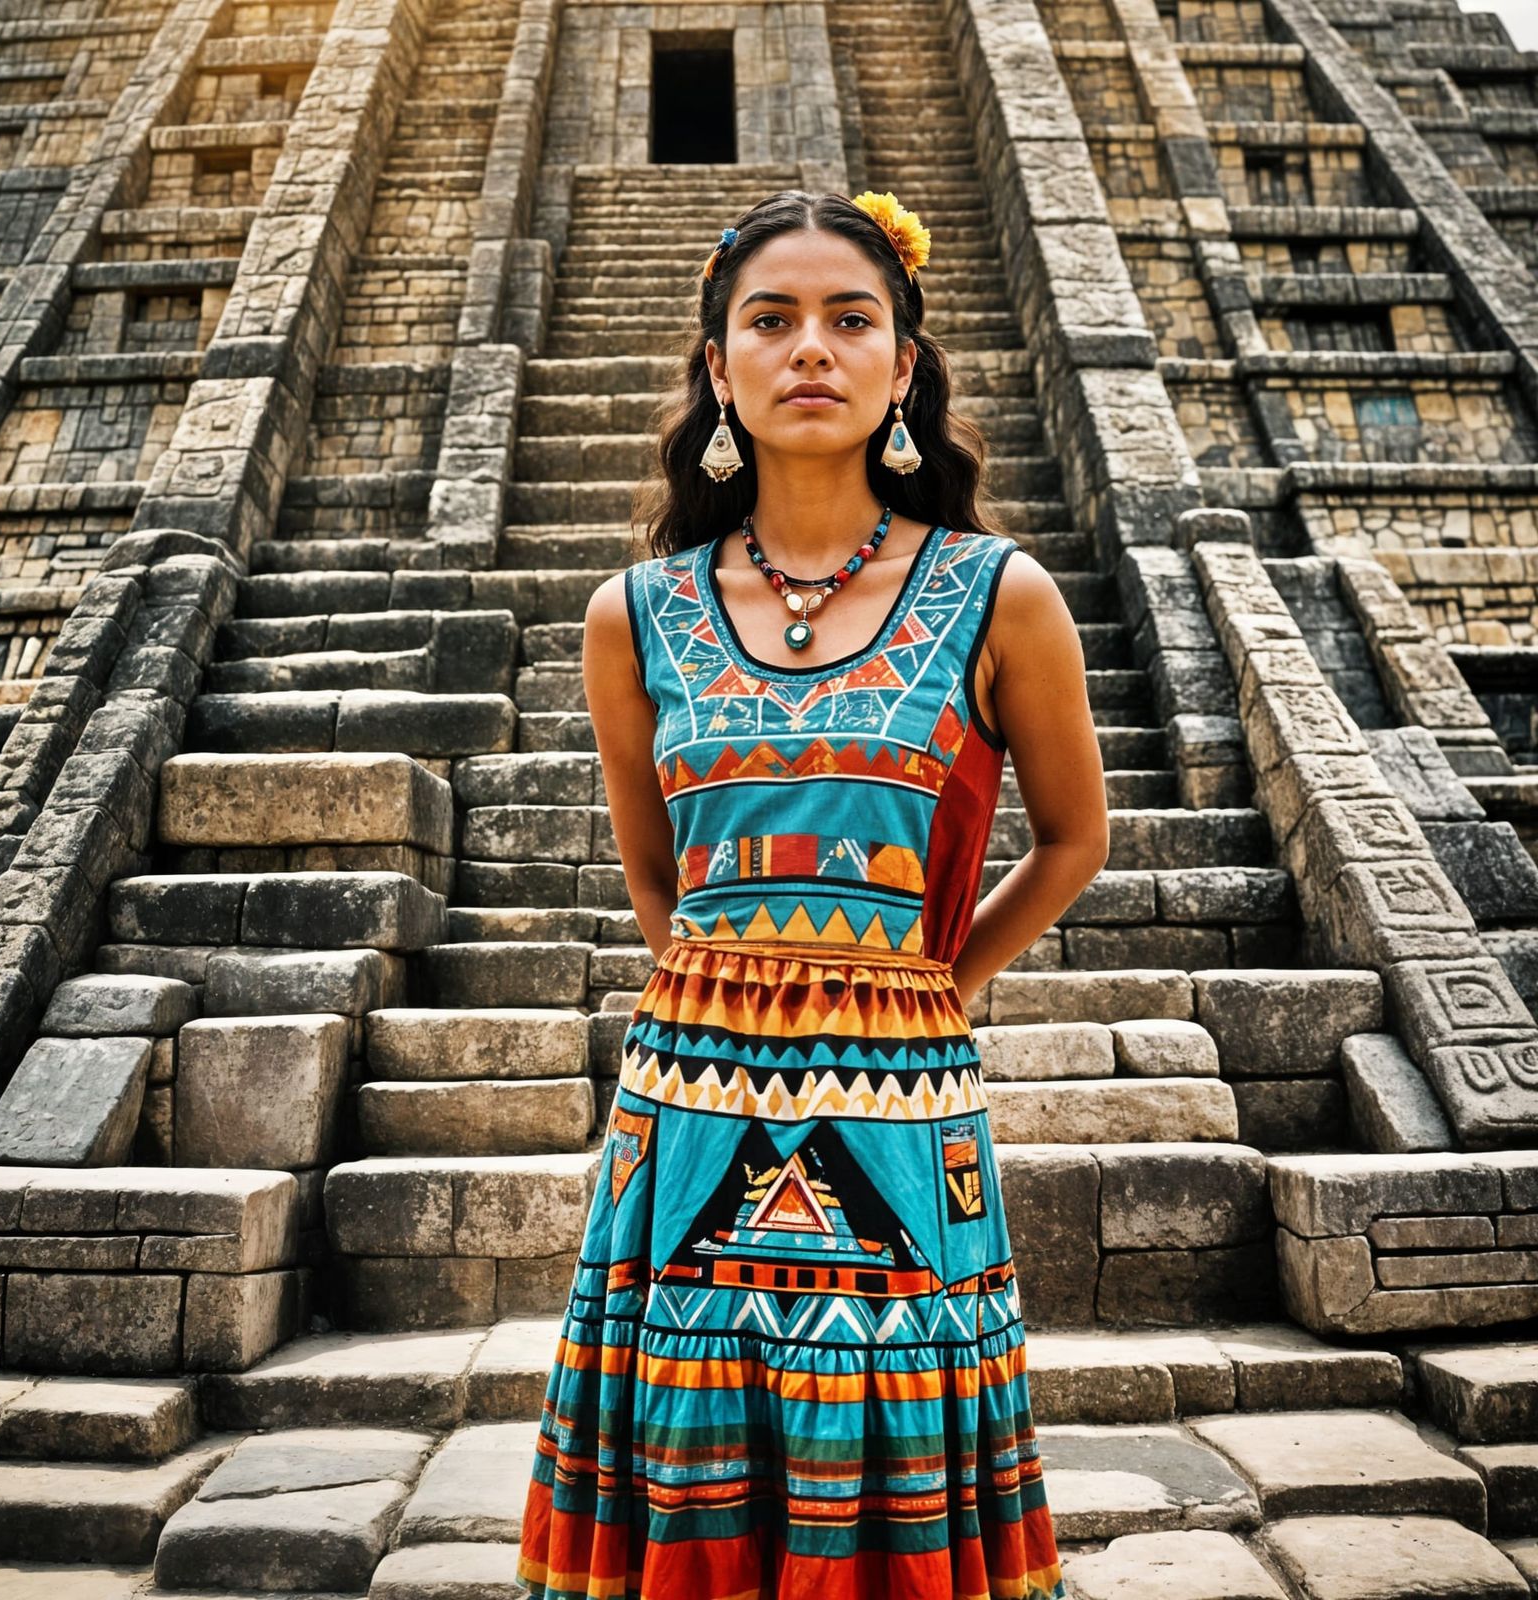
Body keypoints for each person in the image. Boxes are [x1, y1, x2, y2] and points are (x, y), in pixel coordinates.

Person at [517, 187, 1108, 1600]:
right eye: (769, 322)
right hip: (686, 1107)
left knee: (892, 1433)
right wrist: (725, 1003)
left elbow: (1074, 838)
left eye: (852, 321)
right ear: (718, 369)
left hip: (903, 1103)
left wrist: (929, 992)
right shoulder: (634, 613)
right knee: (690, 1439)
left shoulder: (997, 592)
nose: (811, 350)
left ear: (904, 370)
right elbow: (655, 871)